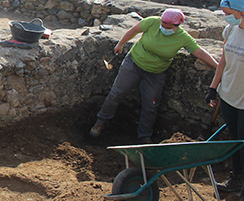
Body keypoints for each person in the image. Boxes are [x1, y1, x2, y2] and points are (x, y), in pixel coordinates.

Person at [89, 8, 218, 144]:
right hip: (134, 63)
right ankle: (101, 122)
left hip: (156, 73)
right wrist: (121, 43)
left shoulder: (182, 37)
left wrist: (217, 66)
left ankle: (144, 137)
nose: (163, 28)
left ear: (176, 26)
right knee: (116, 93)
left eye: (168, 27)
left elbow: (200, 53)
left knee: (151, 105)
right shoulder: (152, 22)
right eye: (163, 25)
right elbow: (134, 30)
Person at [206, 0, 244, 201]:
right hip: (229, 95)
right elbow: (223, 62)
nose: (226, 16)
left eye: (228, 12)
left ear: (241, 12)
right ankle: (235, 179)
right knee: (234, 141)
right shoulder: (230, 30)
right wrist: (213, 87)